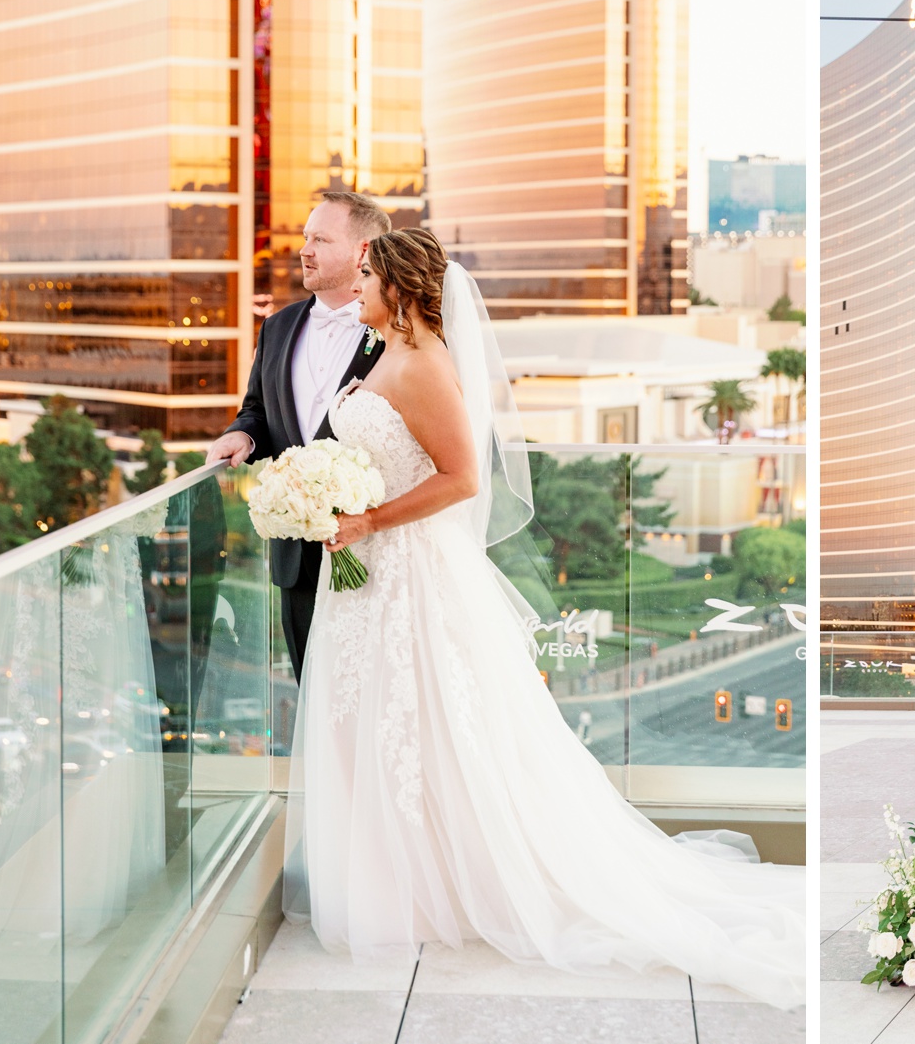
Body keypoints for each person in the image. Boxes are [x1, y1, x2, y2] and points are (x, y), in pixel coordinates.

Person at [281, 229, 805, 1008]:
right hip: (368, 576)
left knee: (434, 729)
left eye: (364, 275)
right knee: (381, 728)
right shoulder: (380, 353)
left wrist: (369, 519)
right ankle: (402, 883)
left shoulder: (425, 366)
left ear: (398, 283)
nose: (353, 286)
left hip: (410, 572)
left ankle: (453, 888)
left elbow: (460, 479)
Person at [206, 192, 392, 680]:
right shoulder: (277, 327)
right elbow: (258, 411)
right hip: (295, 558)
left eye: (320, 239)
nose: (304, 250)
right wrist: (242, 437)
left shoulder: (398, 330)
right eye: (305, 238)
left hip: (376, 547)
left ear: (364, 251)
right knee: (314, 695)